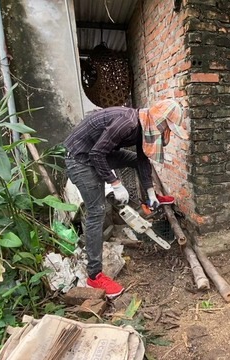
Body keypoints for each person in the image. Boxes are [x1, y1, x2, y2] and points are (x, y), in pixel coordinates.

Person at [64, 99, 188, 297]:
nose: (167, 132)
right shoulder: (127, 122)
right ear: (159, 121)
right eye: (167, 127)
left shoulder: (143, 127)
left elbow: (141, 159)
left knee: (134, 161)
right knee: (97, 211)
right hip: (80, 158)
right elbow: (97, 154)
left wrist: (149, 191)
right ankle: (94, 276)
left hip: (99, 154)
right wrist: (115, 183)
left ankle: (148, 199)